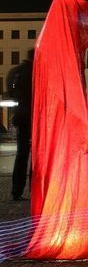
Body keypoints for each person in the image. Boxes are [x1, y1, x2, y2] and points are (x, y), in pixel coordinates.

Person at [7, 48, 34, 201]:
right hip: (33, 114)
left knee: (21, 154)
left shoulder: (14, 72)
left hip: (20, 114)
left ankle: (16, 190)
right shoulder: (35, 72)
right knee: (36, 155)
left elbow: (11, 93)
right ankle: (34, 188)